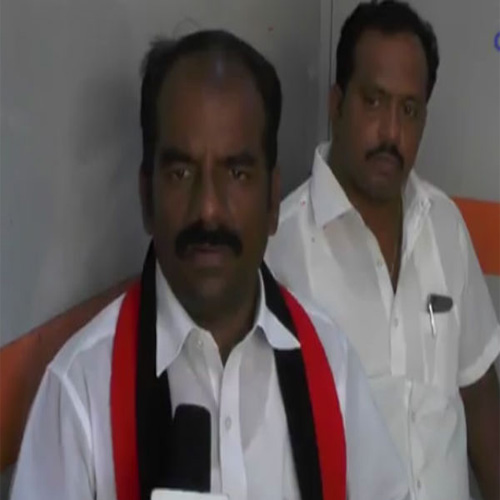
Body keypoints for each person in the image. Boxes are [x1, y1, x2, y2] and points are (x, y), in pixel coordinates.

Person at [10, 30, 409, 500]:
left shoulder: (332, 367)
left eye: (237, 173)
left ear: (272, 201)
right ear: (147, 197)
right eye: (181, 173)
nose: (209, 209)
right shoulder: (80, 392)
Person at [265, 2, 500, 500]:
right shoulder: (279, 250)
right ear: (336, 103)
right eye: (374, 101)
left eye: (408, 110)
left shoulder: (444, 225)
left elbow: (479, 397)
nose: (391, 133)